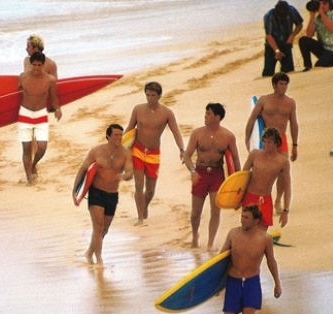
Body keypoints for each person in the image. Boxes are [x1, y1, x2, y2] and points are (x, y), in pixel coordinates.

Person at [219, 204, 282, 314]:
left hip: (252, 284)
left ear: (256, 221)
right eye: (242, 216)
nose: (242, 220)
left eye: (246, 218)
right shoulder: (233, 234)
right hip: (233, 283)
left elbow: (271, 261)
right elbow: (220, 260)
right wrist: (216, 285)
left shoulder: (265, 239)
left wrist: (277, 283)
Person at [125, 81, 185, 226]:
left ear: (159, 96)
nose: (149, 98)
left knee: (150, 190)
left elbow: (176, 132)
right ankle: (140, 217)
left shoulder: (167, 113)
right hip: (137, 150)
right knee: (139, 186)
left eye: (152, 95)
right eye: (147, 95)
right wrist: (119, 148)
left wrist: (182, 149)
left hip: (153, 153)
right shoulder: (138, 109)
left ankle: (144, 206)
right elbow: (129, 129)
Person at [72, 124, 134, 266]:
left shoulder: (125, 154)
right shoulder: (96, 152)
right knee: (98, 227)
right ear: (108, 136)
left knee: (104, 229)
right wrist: (75, 189)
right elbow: (83, 169)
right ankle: (99, 259)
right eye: (116, 135)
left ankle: (89, 252)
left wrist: (125, 176)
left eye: (120, 135)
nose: (119, 137)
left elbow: (130, 171)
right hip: (96, 193)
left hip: (112, 195)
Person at [182, 103, 241, 250]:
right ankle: (195, 235)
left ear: (217, 116)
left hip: (217, 174)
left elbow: (235, 159)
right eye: (205, 113)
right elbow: (187, 156)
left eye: (208, 113)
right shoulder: (197, 133)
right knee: (196, 212)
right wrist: (192, 171)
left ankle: (210, 243)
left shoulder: (228, 136)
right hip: (200, 173)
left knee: (215, 210)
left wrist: (238, 181)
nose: (205, 116)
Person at [245, 72, 298, 212]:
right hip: (266, 139)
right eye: (281, 84)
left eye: (286, 84)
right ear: (274, 85)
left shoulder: (290, 103)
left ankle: (278, 201)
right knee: (261, 171)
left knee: (282, 172)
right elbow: (252, 119)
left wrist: (295, 145)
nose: (284, 87)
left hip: (281, 139)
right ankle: (258, 200)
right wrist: (247, 138)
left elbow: (294, 124)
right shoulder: (264, 100)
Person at [18, 51, 61, 184]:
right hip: (25, 114)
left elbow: (53, 97)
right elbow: (13, 95)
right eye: (34, 65)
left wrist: (57, 109)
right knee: (26, 147)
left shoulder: (49, 80)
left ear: (43, 65)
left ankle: (33, 164)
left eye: (39, 65)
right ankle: (29, 179)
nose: (36, 68)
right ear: (31, 64)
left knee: (42, 147)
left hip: (41, 114)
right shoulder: (23, 77)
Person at [240, 127, 291, 230]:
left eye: (270, 142)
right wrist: (237, 199)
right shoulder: (254, 154)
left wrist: (285, 211)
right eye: (265, 141)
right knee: (248, 231)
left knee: (262, 235)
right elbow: (242, 177)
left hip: (265, 200)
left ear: (276, 142)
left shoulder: (282, 162)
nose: (266, 145)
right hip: (250, 197)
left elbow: (287, 187)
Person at [298, 0, 333, 70]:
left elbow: (332, 28)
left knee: (318, 67)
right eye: (320, 4)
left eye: (324, 3)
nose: (322, 6)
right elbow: (309, 35)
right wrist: (312, 16)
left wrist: (322, 13)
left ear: (329, 5)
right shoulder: (317, 19)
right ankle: (308, 66)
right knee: (303, 40)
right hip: (324, 49)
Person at [262, 0, 303, 76]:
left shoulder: (292, 10)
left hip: (286, 43)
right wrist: (277, 51)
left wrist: (292, 35)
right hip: (272, 45)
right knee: (268, 72)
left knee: (288, 71)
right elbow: (269, 36)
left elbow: (299, 25)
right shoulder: (269, 16)